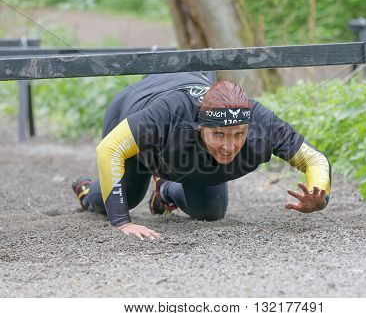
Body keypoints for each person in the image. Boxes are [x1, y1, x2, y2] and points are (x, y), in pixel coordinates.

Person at [72, 71, 331, 240]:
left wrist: (320, 195)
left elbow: (314, 158)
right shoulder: (169, 113)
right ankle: (86, 191)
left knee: (211, 212)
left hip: (180, 156)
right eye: (219, 135)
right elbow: (109, 149)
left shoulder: (263, 124)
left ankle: (164, 192)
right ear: (199, 126)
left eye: (239, 134)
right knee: (125, 199)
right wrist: (123, 223)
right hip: (135, 125)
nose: (229, 147)